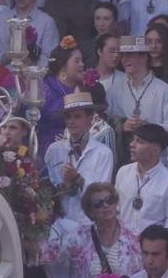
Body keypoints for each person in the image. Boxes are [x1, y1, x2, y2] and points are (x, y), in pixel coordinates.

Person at [43, 91, 115, 226]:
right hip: (59, 224)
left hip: (89, 224)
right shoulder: (54, 150)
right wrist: (64, 185)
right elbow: (47, 192)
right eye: (68, 117)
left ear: (90, 118)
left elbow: (101, 195)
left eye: (77, 116)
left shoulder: (103, 153)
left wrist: (78, 179)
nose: (71, 121)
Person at [116, 122, 168, 242]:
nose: (132, 145)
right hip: (121, 245)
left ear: (155, 150)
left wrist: (155, 244)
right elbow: (116, 209)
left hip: (149, 252)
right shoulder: (123, 172)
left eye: (139, 141)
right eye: (133, 140)